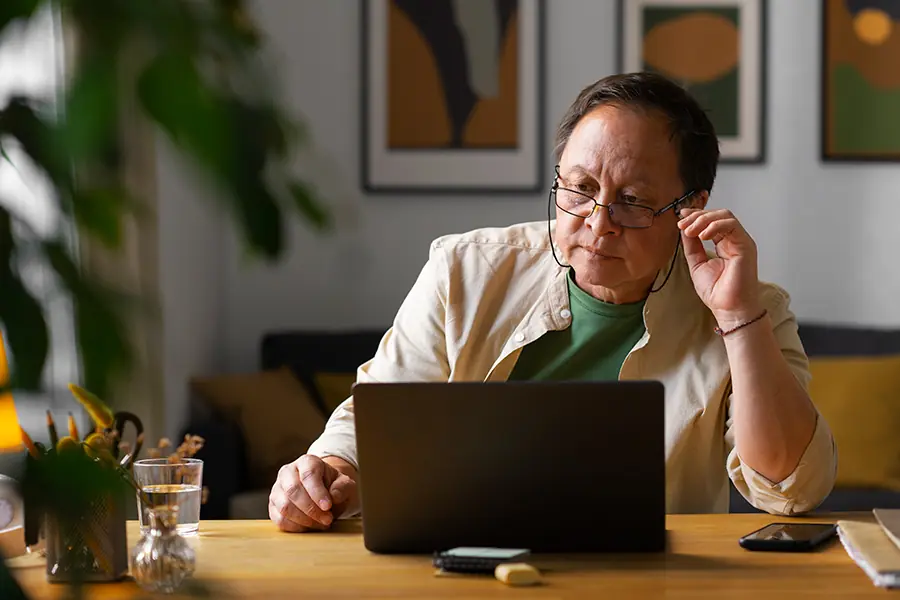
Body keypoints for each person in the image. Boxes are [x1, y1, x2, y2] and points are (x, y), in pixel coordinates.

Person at [269, 72, 837, 533]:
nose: (598, 223)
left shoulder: (751, 305)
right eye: (581, 189)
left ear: (692, 207)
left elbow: (792, 489)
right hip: (464, 562)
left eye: (633, 200)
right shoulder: (464, 270)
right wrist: (331, 472)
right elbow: (377, 418)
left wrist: (738, 319)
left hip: (653, 581)